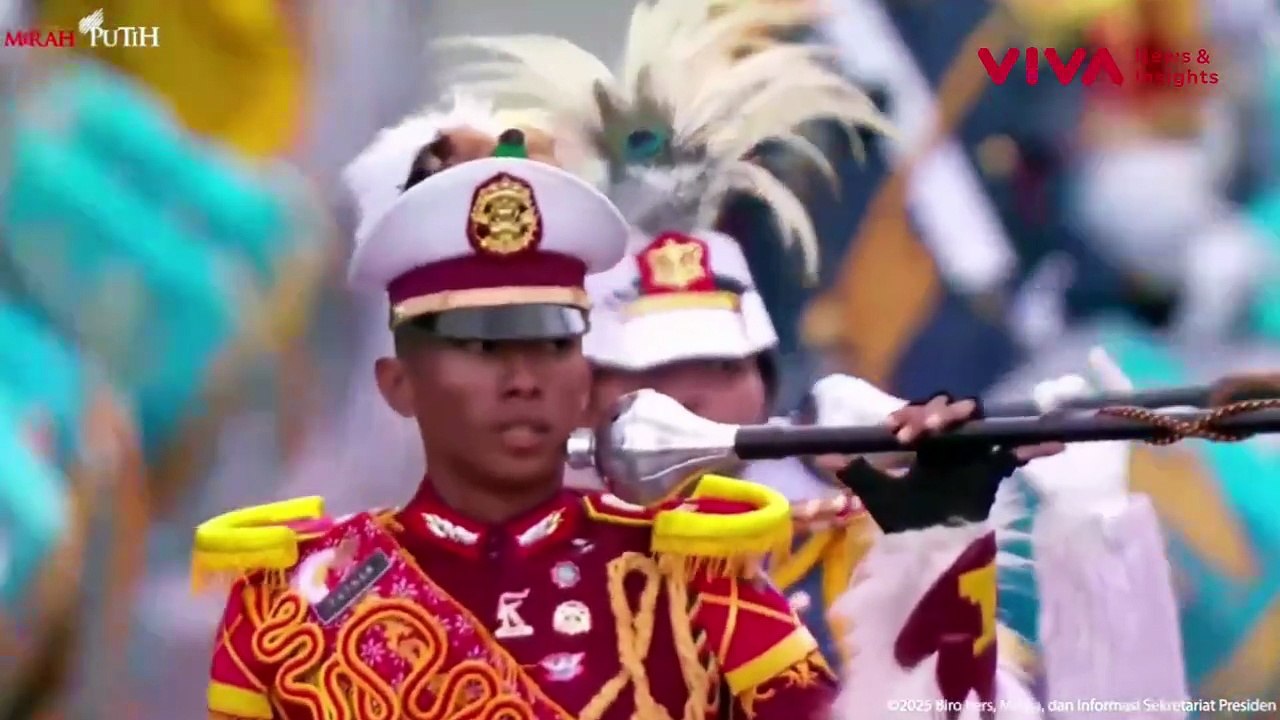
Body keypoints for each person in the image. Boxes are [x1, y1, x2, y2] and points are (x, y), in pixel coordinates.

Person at [195, 128, 844, 720]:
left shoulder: (699, 573)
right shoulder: (294, 597)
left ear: (584, 375)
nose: (524, 379)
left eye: (553, 344)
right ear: (399, 385)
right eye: (480, 347)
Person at [581, 230, 1189, 716]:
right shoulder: (554, 550)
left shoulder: (858, 544)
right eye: (650, 371)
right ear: (584, 388)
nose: (690, 395)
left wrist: (1095, 534)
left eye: (721, 365)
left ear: (765, 383)